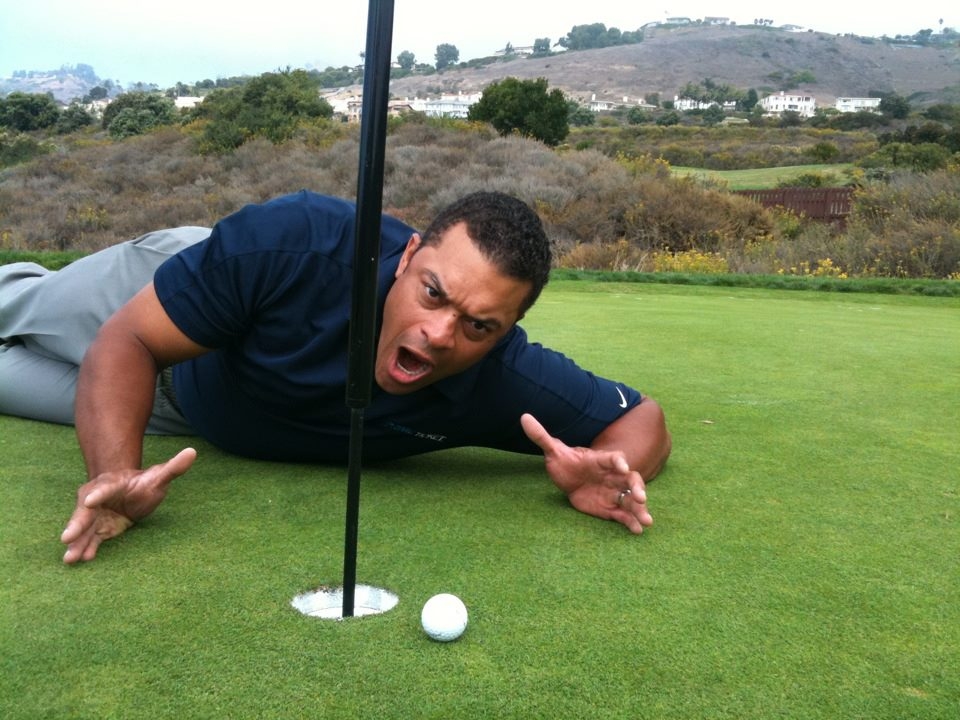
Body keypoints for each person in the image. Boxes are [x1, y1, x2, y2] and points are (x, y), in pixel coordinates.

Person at [0, 190, 671, 564]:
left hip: (182, 415)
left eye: (478, 326)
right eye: (433, 293)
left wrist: (599, 468)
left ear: (504, 333)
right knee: (20, 307)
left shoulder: (503, 378)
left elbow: (643, 419)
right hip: (166, 316)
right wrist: (111, 469)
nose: (441, 334)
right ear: (407, 255)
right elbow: (129, 341)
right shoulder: (294, 245)